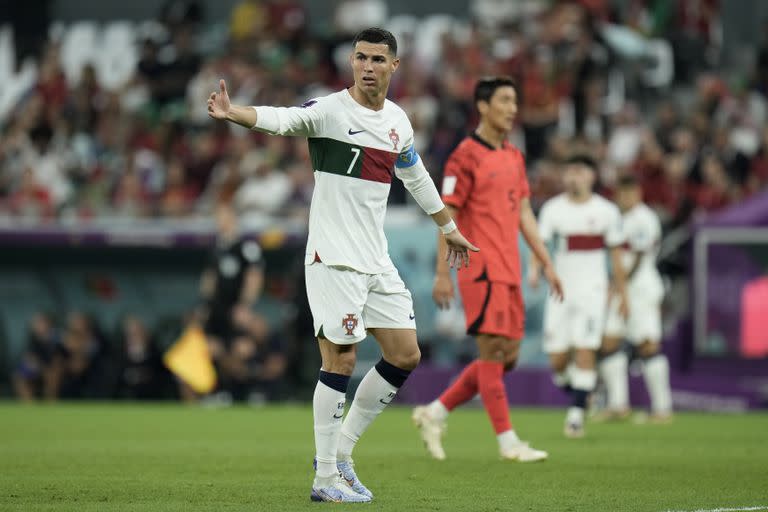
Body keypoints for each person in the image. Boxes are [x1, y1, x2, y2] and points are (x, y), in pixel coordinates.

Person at [206, 27, 479, 503]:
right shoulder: (330, 110)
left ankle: (343, 454)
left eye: (377, 59)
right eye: (360, 58)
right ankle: (324, 477)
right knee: (342, 359)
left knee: (405, 354)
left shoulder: (398, 122)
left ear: (394, 66)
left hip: (375, 259)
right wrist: (235, 114)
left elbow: (416, 176)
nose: (367, 66)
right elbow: (283, 119)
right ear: (351, 62)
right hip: (332, 258)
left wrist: (447, 225)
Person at [412, 77, 563, 462]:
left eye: (515, 100)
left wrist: (546, 261)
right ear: (482, 106)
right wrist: (442, 273)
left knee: (505, 356)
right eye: (505, 100)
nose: (513, 108)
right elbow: (447, 215)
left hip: (510, 267)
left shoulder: (514, 155)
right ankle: (508, 443)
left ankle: (435, 411)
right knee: (493, 350)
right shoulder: (464, 156)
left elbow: (526, 212)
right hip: (478, 266)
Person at [530, 155, 628, 439]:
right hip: (559, 292)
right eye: (570, 171)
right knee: (558, 361)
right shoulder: (553, 209)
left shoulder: (607, 211)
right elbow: (540, 245)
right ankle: (585, 393)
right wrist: (534, 271)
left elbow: (616, 257)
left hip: (592, 292)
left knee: (585, 350)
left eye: (580, 171)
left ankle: (575, 418)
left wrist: (623, 294)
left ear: (591, 176)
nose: (574, 177)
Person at [600, 175, 672, 422]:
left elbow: (639, 258)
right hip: (623, 288)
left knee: (647, 344)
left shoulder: (644, 218)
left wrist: (621, 287)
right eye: (621, 193)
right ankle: (618, 405)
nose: (625, 197)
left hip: (641, 288)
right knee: (609, 341)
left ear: (638, 193)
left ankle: (662, 409)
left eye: (630, 193)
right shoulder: (619, 218)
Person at [196, 202, 266, 402]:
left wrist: (245, 305)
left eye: (224, 217)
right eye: (218, 218)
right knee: (213, 348)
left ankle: (252, 392)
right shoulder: (218, 249)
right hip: (217, 309)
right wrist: (205, 305)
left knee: (242, 349)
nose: (221, 222)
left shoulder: (246, 247)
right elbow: (209, 278)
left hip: (236, 308)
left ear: (233, 219)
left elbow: (254, 276)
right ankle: (219, 392)